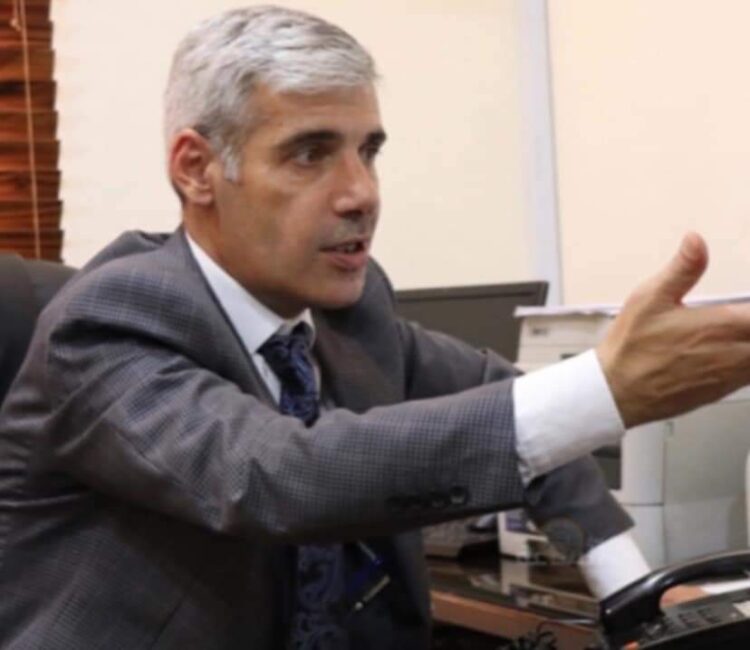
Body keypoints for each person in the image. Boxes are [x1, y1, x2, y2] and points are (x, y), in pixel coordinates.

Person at [1, 6, 749, 649]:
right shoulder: (107, 322)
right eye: (310, 154)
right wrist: (606, 390)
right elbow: (276, 479)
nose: (360, 193)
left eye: (368, 151)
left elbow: (517, 414)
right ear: (197, 169)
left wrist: (636, 599)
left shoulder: (348, 312)